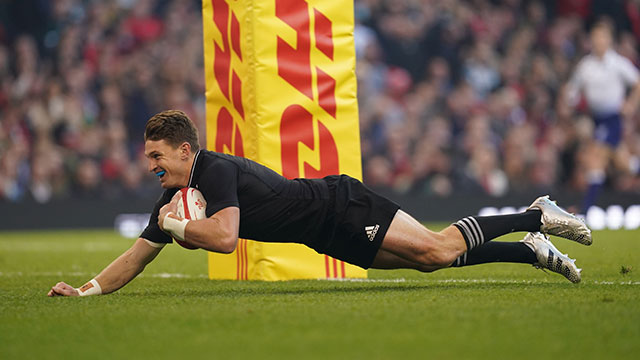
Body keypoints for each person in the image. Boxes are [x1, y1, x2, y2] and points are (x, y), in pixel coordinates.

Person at [48, 110, 592, 297]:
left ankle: (534, 213)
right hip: (324, 234)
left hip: (340, 206)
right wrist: (87, 291)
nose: (151, 166)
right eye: (148, 159)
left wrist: (180, 229)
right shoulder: (173, 197)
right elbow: (138, 254)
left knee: (435, 249)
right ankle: (531, 251)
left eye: (156, 156)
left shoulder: (213, 171)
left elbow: (225, 238)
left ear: (185, 149)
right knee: (437, 261)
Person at [563, 19, 640, 214]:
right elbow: (573, 89)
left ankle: (585, 209)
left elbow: (637, 82)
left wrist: (631, 105)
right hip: (595, 119)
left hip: (613, 118)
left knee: (595, 156)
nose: (599, 40)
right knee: (622, 162)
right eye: (596, 37)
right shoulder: (586, 65)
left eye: (602, 36)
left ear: (609, 40)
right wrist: (569, 98)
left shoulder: (618, 63)